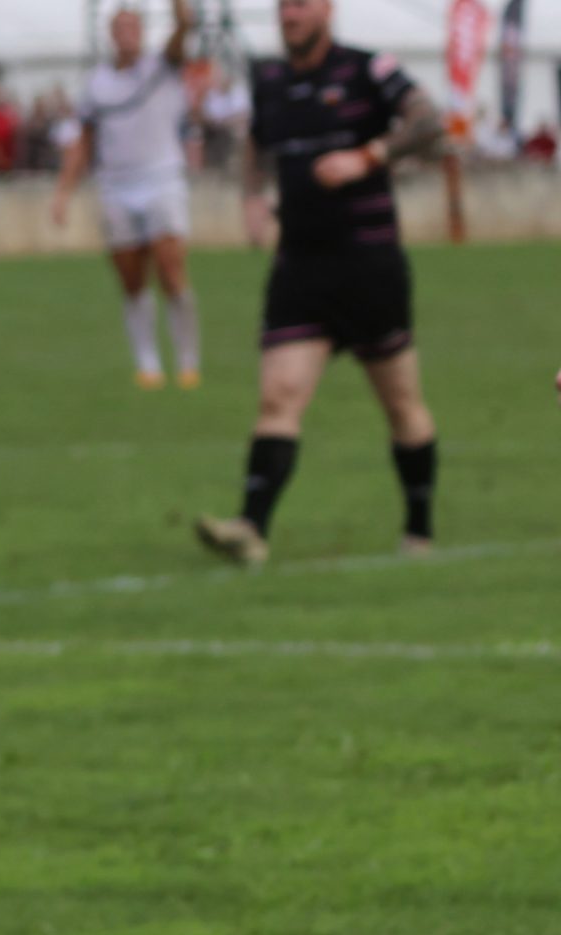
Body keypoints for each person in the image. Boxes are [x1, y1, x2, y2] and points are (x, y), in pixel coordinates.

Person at [196, 0, 443, 565]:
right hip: (300, 267)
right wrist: (251, 196)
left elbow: (428, 121)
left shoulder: (367, 68)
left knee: (402, 403)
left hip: (369, 265)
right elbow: (256, 142)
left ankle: (419, 532)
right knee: (278, 396)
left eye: (301, 5)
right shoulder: (270, 81)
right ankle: (251, 529)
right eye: (283, 6)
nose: (289, 16)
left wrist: (369, 155)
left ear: (327, 10)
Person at [50, 0, 202, 389]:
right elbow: (83, 142)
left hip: (162, 179)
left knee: (170, 269)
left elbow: (183, 28)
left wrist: (180, 9)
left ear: (143, 31)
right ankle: (147, 364)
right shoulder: (96, 83)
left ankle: (187, 360)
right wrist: (64, 191)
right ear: (111, 34)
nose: (127, 35)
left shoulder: (161, 67)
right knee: (131, 278)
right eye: (120, 28)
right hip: (116, 185)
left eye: (133, 27)